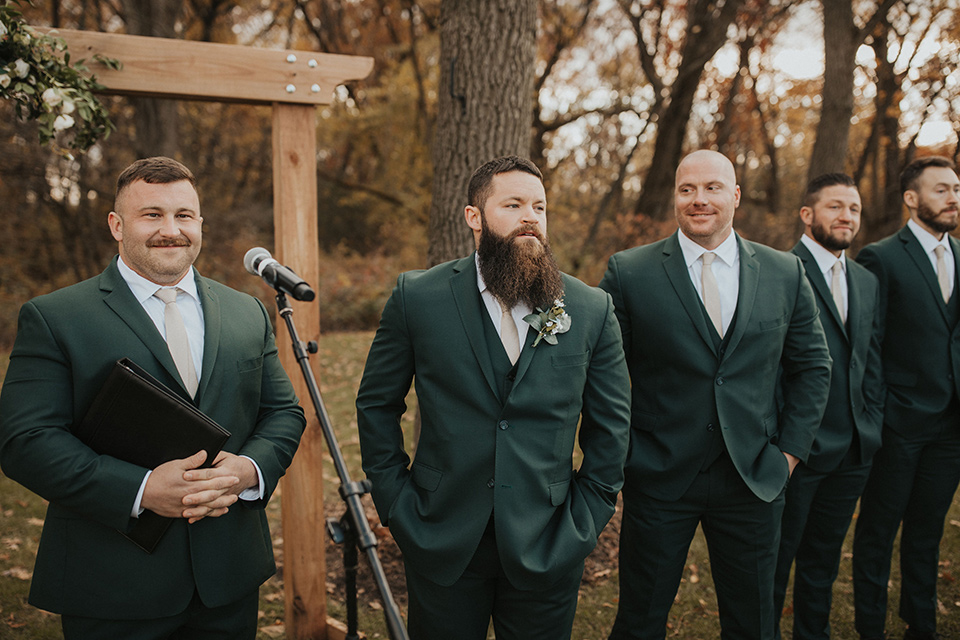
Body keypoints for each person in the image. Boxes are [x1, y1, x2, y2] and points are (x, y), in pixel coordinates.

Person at [0, 157, 306, 639]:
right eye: (152, 215)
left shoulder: (247, 311)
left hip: (229, 578)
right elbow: (26, 441)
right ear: (117, 226)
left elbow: (283, 413)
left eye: (184, 215)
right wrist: (141, 490)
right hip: (113, 583)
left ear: (200, 224)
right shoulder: (55, 317)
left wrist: (248, 469)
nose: (171, 230)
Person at [356, 155, 631, 640]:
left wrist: (585, 518)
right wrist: (396, 502)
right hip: (439, 533)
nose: (531, 216)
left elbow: (612, 426)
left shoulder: (589, 308)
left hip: (549, 539)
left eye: (539, 207)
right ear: (474, 216)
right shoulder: (417, 297)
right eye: (514, 204)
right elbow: (377, 404)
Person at [600, 149, 833, 640]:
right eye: (687, 189)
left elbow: (813, 367)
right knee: (640, 619)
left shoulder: (785, 272)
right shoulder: (629, 271)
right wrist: (621, 451)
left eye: (712, 188)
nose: (699, 199)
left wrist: (788, 454)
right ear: (675, 197)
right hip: (660, 476)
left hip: (753, 476)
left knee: (753, 621)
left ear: (736, 196)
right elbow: (604, 374)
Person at [772, 173, 884, 640]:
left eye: (854, 209)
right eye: (836, 206)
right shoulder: (777, 269)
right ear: (808, 214)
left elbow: (871, 359)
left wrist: (871, 422)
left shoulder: (865, 280)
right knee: (775, 565)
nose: (846, 217)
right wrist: (784, 444)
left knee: (822, 563)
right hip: (797, 452)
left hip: (854, 450)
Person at [853, 155, 960, 640]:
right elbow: (869, 345)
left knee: (927, 532)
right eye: (941, 189)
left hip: (951, 427)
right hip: (898, 425)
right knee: (877, 534)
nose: (953, 197)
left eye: (956, 188)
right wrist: (880, 418)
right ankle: (871, 627)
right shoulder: (882, 257)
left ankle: (922, 625)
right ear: (912, 199)